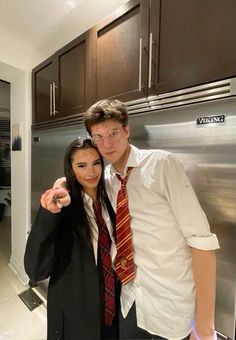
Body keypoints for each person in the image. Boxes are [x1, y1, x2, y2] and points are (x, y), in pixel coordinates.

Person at [46, 99, 220, 339]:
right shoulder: (105, 177)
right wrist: (62, 185)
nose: (106, 144)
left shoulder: (162, 166)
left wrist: (205, 325)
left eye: (113, 133)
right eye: (98, 137)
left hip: (170, 307)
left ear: (127, 131)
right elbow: (79, 179)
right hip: (129, 301)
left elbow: (202, 243)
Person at [24, 138, 119, 340]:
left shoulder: (110, 198)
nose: (91, 172)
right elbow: (35, 268)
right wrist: (49, 213)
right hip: (75, 307)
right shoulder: (62, 205)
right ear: (71, 168)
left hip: (111, 299)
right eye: (81, 166)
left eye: (96, 163)